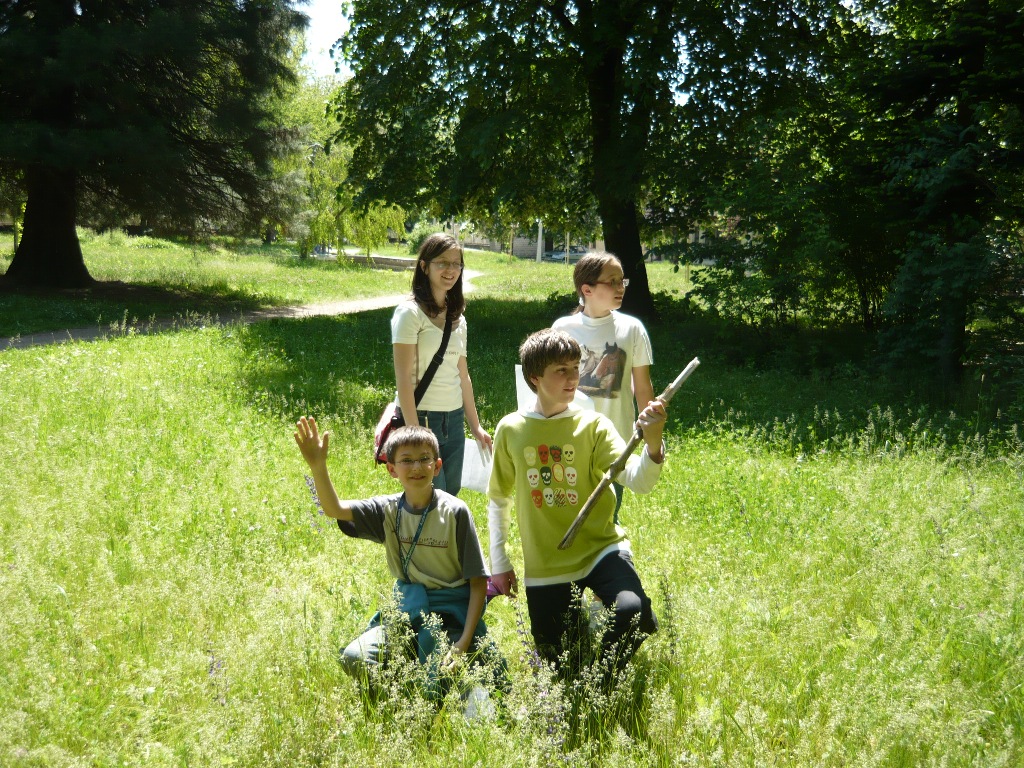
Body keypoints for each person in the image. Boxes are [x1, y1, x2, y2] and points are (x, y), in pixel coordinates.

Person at [486, 328, 667, 678]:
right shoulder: (511, 429)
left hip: (600, 549)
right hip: (546, 563)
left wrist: (654, 444)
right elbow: (498, 498)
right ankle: (587, 629)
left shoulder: (593, 425)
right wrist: (500, 560)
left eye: (575, 368)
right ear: (534, 377)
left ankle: (602, 684)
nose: (573, 378)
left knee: (630, 611)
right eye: (561, 371)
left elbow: (639, 480)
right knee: (561, 667)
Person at [295, 419, 503, 701]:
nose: (416, 467)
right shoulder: (387, 510)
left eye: (424, 459)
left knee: (437, 686)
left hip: (451, 614)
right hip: (407, 609)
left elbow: (478, 582)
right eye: (406, 460)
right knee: (355, 657)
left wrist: (463, 644)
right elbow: (335, 509)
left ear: (437, 466)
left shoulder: (455, 512)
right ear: (392, 469)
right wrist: (318, 465)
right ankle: (393, 700)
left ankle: (439, 687)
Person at [552, 252, 654, 519]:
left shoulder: (632, 329)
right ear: (587, 289)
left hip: (615, 441)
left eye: (622, 281)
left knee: (608, 515)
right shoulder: (563, 328)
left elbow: (643, 387)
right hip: (571, 438)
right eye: (612, 282)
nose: (621, 288)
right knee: (567, 515)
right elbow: (550, 385)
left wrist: (649, 430)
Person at [391, 232, 491, 497]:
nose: (451, 270)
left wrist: (475, 426)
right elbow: (403, 378)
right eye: (443, 263)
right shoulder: (409, 313)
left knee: (450, 495)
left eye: (456, 263)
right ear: (425, 266)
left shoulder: (458, 318)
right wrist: (414, 432)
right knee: (431, 495)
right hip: (422, 417)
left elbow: (463, 375)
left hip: (454, 419)